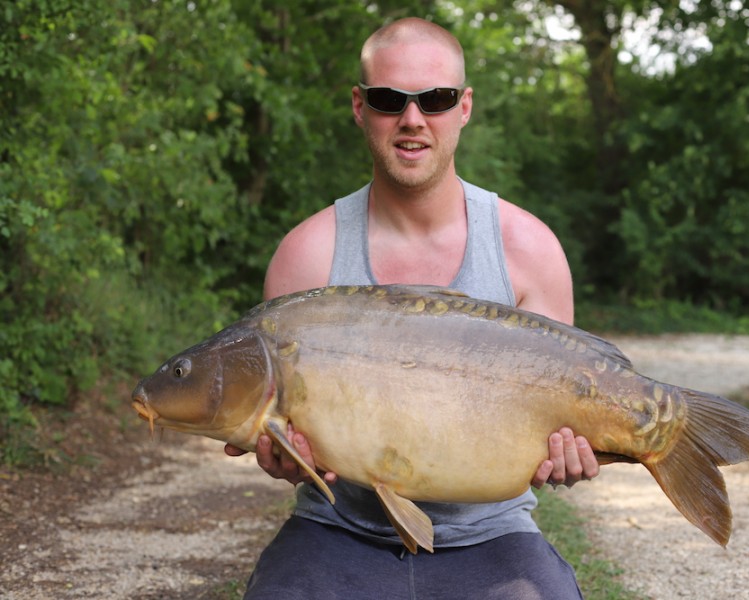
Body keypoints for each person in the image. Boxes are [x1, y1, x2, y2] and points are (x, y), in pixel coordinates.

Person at [227, 17, 599, 599]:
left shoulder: (528, 250)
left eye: (436, 99)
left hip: (492, 533)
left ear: (465, 107)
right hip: (336, 527)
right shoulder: (307, 255)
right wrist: (282, 457)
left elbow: (564, 420)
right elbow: (283, 433)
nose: (412, 119)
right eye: (387, 99)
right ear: (358, 106)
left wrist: (570, 454)